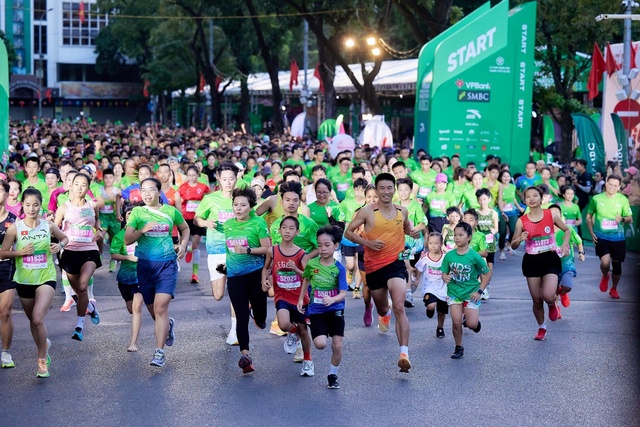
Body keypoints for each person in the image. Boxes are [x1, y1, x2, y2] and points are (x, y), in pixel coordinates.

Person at [345, 173, 418, 373]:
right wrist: (367, 243)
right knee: (384, 308)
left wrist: (413, 233)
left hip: (395, 264)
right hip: (374, 267)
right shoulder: (367, 212)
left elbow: (407, 229)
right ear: (376, 191)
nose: (386, 192)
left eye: (389, 188)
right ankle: (382, 315)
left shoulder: (402, 211)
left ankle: (404, 353)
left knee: (400, 307)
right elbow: (348, 232)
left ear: (394, 189)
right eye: (382, 188)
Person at [0, 188, 68, 378]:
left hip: (46, 276)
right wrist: (19, 253)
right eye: (28, 205)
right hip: (24, 279)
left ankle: (41, 360)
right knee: (33, 321)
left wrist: (59, 245)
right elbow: (2, 252)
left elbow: (64, 238)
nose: (32, 209)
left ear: (40, 205)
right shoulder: (15, 228)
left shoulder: (48, 225)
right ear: (22, 205)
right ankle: (43, 344)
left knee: (38, 318)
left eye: (36, 205)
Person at [125, 178, 190, 367]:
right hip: (145, 266)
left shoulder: (171, 211)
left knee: (161, 308)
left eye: (151, 190)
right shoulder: (137, 212)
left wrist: (183, 245)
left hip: (167, 265)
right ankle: (167, 325)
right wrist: (142, 230)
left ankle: (159, 352)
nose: (146, 194)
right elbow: (128, 239)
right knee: (155, 312)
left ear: (159, 192)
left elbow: (185, 229)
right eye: (143, 190)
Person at [510, 186, 571, 341]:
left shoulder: (550, 215)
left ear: (541, 198)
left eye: (535, 195)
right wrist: (519, 239)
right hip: (532, 261)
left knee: (548, 295)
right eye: (528, 196)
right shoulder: (521, 221)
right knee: (536, 299)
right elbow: (513, 244)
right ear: (524, 200)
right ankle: (542, 327)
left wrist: (564, 245)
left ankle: (552, 304)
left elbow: (567, 230)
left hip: (550, 258)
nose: (532, 199)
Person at [224, 187, 271, 374]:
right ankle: (245, 355)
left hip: (255, 274)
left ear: (250, 207)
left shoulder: (258, 223)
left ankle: (258, 315)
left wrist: (249, 250)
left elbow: (267, 249)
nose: (238, 208)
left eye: (243, 205)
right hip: (235, 277)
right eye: (235, 204)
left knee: (261, 318)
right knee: (241, 316)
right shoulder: (228, 225)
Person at [261, 216, 314, 376]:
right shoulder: (273, 250)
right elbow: (266, 268)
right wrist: (264, 280)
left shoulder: (300, 253)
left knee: (304, 331)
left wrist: (297, 270)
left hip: (299, 298)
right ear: (279, 230)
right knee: (283, 324)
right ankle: (292, 332)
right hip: (282, 296)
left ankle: (308, 361)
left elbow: (309, 275)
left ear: (297, 232)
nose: (287, 231)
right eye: (284, 227)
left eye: (291, 228)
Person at [194, 162, 240, 345]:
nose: (228, 182)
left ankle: (235, 330)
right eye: (225, 179)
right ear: (219, 179)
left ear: (236, 179)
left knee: (235, 289)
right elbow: (197, 219)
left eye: (231, 179)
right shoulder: (210, 199)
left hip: (237, 251)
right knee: (219, 294)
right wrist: (206, 224)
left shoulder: (241, 198)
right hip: (216, 251)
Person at [54, 173, 102, 341]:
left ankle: (79, 326)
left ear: (88, 188)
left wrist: (99, 231)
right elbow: (55, 227)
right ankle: (90, 307)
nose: (80, 188)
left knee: (82, 286)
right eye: (77, 184)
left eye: (83, 185)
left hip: (89, 250)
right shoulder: (64, 208)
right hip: (69, 252)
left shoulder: (92, 205)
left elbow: (97, 222)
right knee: (79, 291)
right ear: (71, 186)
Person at [298, 225, 347, 389]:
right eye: (319, 245)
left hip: (335, 309)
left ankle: (333, 375)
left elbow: (342, 293)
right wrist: (300, 299)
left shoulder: (338, 268)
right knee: (320, 344)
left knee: (337, 345)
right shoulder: (312, 264)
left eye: (327, 245)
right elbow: (306, 279)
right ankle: (319, 330)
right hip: (317, 310)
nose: (323, 248)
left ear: (335, 246)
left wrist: (332, 300)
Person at [441, 222, 491, 359]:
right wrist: (444, 277)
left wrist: (480, 291)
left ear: (469, 237)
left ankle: (473, 323)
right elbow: (444, 273)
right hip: (454, 292)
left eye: (461, 235)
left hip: (471, 294)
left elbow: (487, 274)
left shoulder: (475, 256)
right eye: (455, 235)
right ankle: (458, 347)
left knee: (471, 324)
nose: (457, 238)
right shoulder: (449, 256)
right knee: (456, 322)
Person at [586, 174, 633, 299]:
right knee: (605, 263)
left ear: (618, 187)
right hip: (601, 237)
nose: (612, 187)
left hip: (618, 238)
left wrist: (622, 218)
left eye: (615, 186)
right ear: (606, 184)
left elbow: (630, 219)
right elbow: (589, 217)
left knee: (617, 266)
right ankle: (605, 275)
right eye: (610, 184)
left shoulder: (623, 199)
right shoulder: (596, 199)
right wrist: (591, 232)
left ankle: (614, 288)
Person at [110, 203, 143, 352]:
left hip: (141, 276)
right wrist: (128, 258)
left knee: (137, 308)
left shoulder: (144, 233)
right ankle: (166, 323)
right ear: (124, 217)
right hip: (124, 278)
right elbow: (113, 255)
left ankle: (133, 343)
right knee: (131, 309)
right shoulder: (119, 235)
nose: (132, 217)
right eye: (129, 214)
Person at [548, 204, 585, 313]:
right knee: (553, 291)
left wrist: (581, 252)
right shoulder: (545, 231)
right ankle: (556, 309)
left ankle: (563, 292)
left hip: (567, 264)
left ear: (560, 216)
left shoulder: (568, 229)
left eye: (556, 214)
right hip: (551, 266)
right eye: (551, 213)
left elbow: (579, 241)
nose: (553, 215)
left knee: (567, 286)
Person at [178, 165, 210, 284]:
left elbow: (207, 201)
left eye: (194, 175)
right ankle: (187, 251)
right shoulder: (182, 187)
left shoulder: (203, 187)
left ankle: (195, 274)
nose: (191, 177)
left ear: (198, 175)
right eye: (189, 175)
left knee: (196, 245)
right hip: (185, 219)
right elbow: (178, 202)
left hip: (197, 219)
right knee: (183, 245)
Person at [414, 232, 447, 339]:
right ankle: (430, 309)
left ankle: (440, 327)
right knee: (431, 305)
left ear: (441, 243)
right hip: (429, 286)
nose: (433, 246)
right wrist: (417, 279)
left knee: (442, 311)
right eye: (431, 243)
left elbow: (451, 269)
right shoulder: (425, 258)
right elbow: (419, 268)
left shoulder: (446, 258)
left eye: (436, 243)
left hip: (443, 288)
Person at [0, 181, 18, 368]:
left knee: (5, 313)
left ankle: (6, 353)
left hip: (7, 268)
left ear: (6, 194)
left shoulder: (13, 221)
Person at [475, 188, 499, 300]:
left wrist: (494, 231)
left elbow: (496, 228)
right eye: (480, 200)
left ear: (489, 199)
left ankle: (487, 286)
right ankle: (480, 287)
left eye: (484, 199)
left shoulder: (493, 213)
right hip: (479, 242)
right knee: (479, 264)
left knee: (489, 265)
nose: (482, 202)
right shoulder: (475, 213)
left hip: (490, 242)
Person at [497, 170, 522, 260]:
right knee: (502, 233)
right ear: (500, 177)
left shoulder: (512, 186)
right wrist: (501, 210)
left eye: (508, 176)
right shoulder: (499, 186)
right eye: (504, 176)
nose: (506, 178)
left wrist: (519, 207)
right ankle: (502, 251)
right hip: (502, 213)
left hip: (512, 212)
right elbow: (498, 199)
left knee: (514, 230)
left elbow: (514, 198)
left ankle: (508, 244)